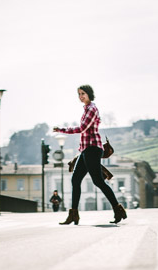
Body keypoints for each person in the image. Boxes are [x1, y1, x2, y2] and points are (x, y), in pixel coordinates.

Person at [53, 85, 127, 225]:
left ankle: (118, 209)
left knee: (98, 181)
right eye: (79, 94)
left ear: (89, 94)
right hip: (86, 149)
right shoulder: (86, 109)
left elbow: (82, 128)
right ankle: (73, 214)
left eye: (83, 93)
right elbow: (85, 133)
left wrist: (62, 129)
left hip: (93, 149)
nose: (81, 96)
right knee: (76, 179)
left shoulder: (92, 109)